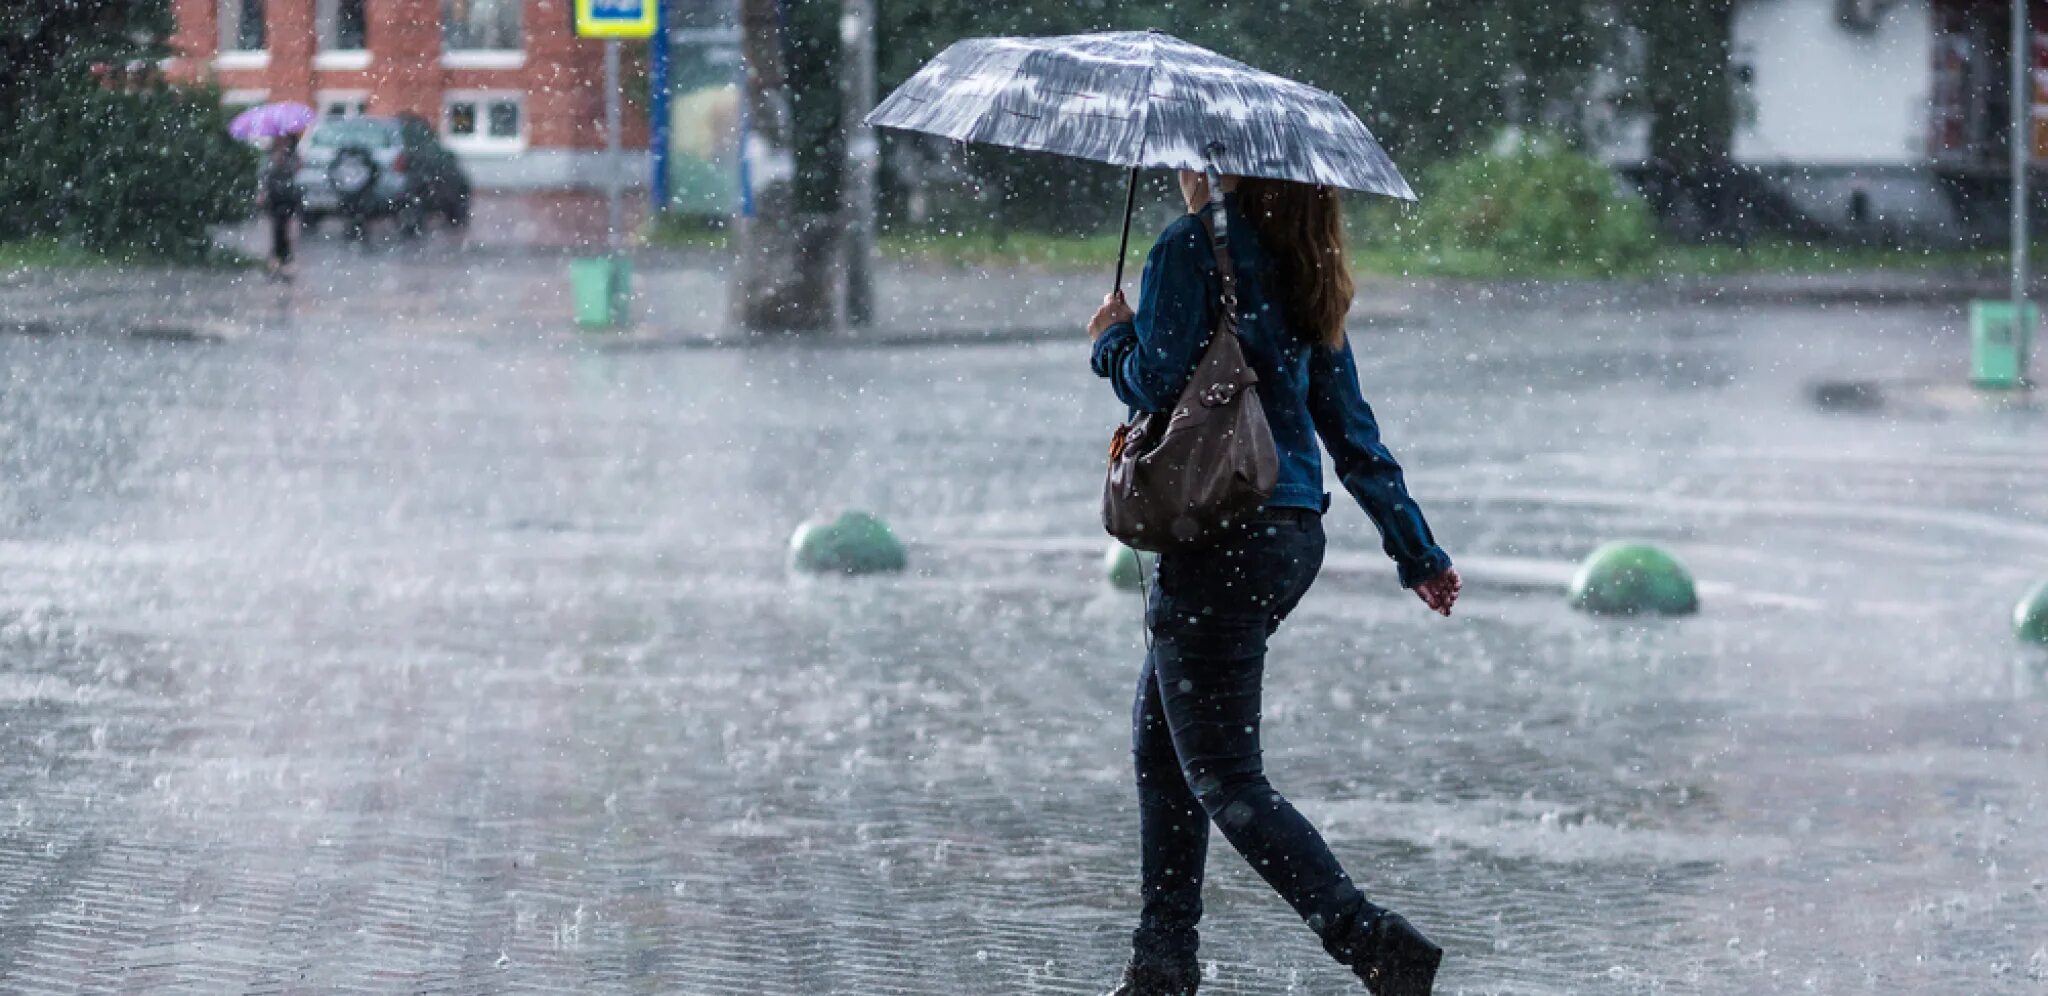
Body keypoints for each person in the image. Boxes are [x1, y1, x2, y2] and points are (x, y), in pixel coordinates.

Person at [1088, 171, 1462, 996]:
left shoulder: (1188, 250)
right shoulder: (1305, 261)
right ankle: (1161, 964)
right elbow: (1352, 432)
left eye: (1195, 158)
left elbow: (1153, 384)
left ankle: (1372, 941)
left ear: (1224, 168)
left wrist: (1113, 337)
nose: (1183, 169)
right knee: (1163, 749)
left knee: (1223, 772)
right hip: (1290, 536)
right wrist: (1419, 554)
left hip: (1219, 528)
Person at [258, 133, 304, 278]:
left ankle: (285, 257)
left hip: (288, 194)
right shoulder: (270, 152)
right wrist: (262, 191)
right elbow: (264, 173)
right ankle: (278, 256)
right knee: (276, 226)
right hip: (274, 194)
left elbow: (296, 170)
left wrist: (287, 161)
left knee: (286, 226)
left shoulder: (292, 153)